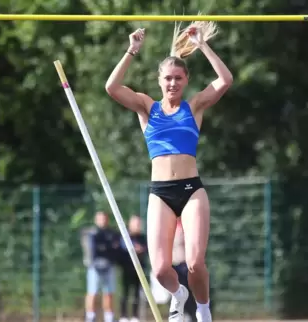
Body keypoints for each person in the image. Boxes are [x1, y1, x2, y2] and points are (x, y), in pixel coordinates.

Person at [105, 18, 233, 322]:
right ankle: (179, 295)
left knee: (194, 263)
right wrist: (131, 50)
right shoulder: (148, 108)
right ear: (159, 80)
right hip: (160, 192)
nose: (173, 83)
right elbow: (111, 87)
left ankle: (203, 312)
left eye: (178, 77)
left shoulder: (195, 107)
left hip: (191, 190)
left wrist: (202, 44)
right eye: (168, 78)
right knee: (161, 269)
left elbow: (225, 80)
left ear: (185, 80)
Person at [81, 211, 121, 322]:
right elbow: (91, 250)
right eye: (100, 218)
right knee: (92, 292)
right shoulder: (91, 233)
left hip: (109, 267)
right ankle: (90, 317)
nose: (102, 221)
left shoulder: (112, 234)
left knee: (109, 293)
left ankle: (109, 317)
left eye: (104, 218)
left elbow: (114, 248)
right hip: (94, 267)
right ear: (96, 220)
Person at [118, 215, 148, 322]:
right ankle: (123, 316)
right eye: (136, 223)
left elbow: (146, 249)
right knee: (125, 292)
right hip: (126, 269)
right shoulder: (125, 236)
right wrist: (135, 249)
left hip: (139, 270)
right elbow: (123, 247)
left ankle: (135, 316)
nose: (138, 226)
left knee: (136, 293)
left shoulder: (142, 238)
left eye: (139, 224)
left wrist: (141, 249)